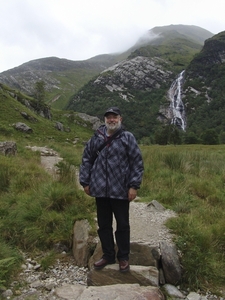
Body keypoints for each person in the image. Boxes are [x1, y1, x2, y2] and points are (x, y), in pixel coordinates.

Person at [79, 107, 144, 272]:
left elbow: (137, 162)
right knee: (103, 224)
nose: (111, 120)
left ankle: (123, 257)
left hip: (121, 190)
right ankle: (108, 255)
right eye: (108, 117)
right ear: (105, 120)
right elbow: (87, 159)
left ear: (120, 119)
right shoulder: (96, 138)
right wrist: (85, 182)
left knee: (122, 225)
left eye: (114, 117)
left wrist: (133, 186)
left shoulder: (127, 137)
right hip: (100, 190)